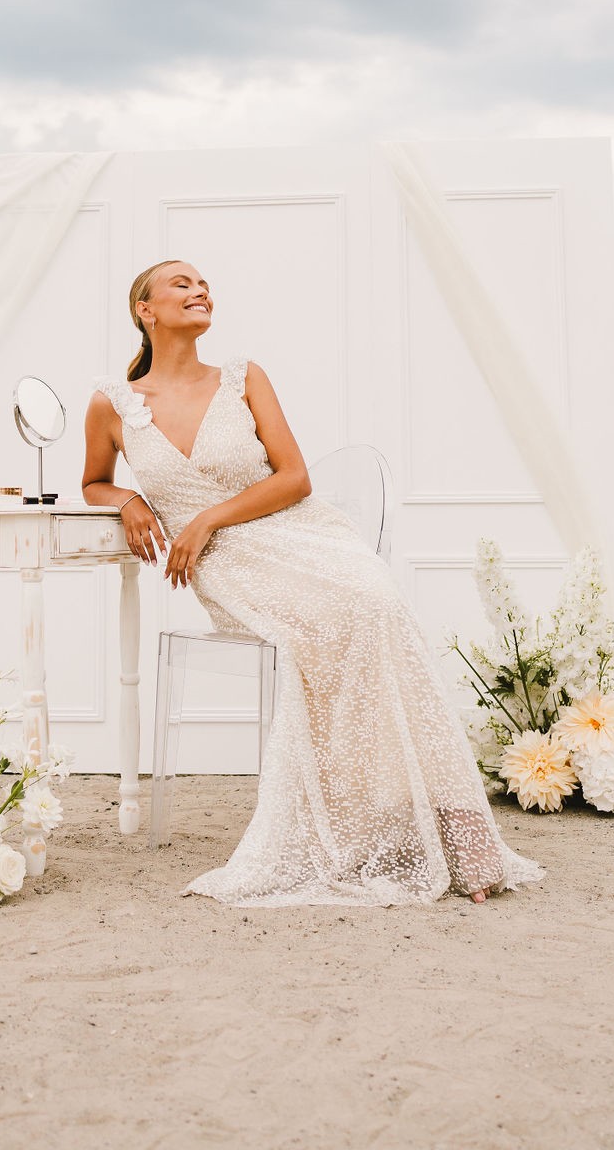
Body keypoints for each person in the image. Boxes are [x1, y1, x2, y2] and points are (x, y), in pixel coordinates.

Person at [82, 259, 544, 908]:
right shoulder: (112, 404)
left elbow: (294, 477)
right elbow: (92, 481)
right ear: (145, 310)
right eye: (181, 283)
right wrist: (127, 501)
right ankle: (371, 823)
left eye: (205, 283)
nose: (200, 289)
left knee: (374, 605)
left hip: (303, 535)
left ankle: (454, 818)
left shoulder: (244, 378)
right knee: (330, 628)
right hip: (231, 569)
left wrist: (206, 518)